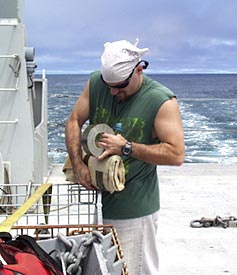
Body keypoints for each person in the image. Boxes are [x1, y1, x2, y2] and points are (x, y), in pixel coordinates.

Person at [65, 39, 185, 275]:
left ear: (139, 69)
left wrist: (127, 148)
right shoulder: (98, 83)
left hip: (134, 209)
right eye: (108, 84)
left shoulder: (161, 100)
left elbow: (176, 154)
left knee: (133, 269)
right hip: (99, 201)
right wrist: (78, 165)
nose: (112, 92)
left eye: (120, 85)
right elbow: (74, 121)